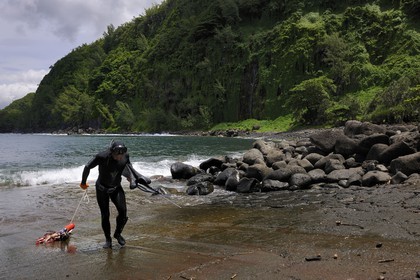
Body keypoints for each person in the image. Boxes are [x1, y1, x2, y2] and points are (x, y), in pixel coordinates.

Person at [80, 140, 150, 248]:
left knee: (123, 212)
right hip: (101, 189)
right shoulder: (102, 156)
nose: (120, 156)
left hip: (116, 188)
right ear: (111, 151)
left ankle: (118, 234)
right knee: (105, 215)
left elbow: (128, 167)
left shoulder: (125, 156)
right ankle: (108, 240)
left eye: (122, 154)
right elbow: (87, 166)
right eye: (117, 154)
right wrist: (83, 183)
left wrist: (130, 177)